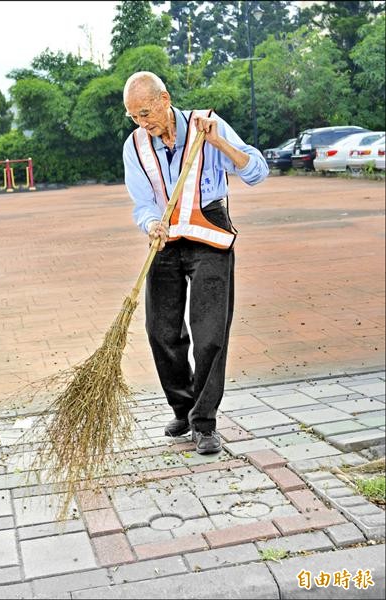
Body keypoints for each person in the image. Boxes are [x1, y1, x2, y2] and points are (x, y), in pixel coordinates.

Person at [122, 71, 268, 454]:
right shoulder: (135, 145)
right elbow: (141, 202)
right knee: (160, 331)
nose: (143, 122)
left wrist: (217, 139)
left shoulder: (207, 125)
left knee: (209, 333)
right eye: (134, 116)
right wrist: (151, 222)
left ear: (165, 99)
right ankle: (183, 407)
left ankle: (204, 422)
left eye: (146, 111)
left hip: (209, 233)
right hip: (166, 238)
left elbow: (256, 171)